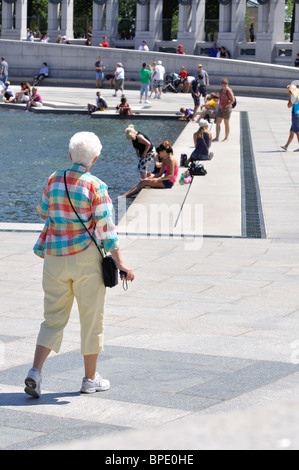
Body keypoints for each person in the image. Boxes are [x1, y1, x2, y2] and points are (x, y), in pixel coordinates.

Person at [24, 131, 134, 398]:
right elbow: (107, 232)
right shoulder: (97, 186)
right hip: (86, 258)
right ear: (94, 159)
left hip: (54, 257)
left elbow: (42, 211)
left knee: (52, 317)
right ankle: (90, 378)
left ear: (70, 155)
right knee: (91, 318)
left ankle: (35, 372)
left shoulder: (53, 179)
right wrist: (122, 265)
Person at [214, 78, 235, 142]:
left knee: (226, 123)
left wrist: (227, 105)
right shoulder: (221, 90)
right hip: (221, 108)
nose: (224, 85)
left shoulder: (228, 90)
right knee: (218, 122)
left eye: (226, 84)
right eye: (223, 84)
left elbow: (233, 100)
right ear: (221, 84)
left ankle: (226, 138)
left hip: (227, 108)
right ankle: (217, 137)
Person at [281, 84, 299, 151]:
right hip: (296, 115)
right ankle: (286, 146)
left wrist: (290, 97)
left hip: (296, 116)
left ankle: (286, 146)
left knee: (297, 132)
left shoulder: (293, 97)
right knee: (292, 132)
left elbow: (289, 105)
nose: (288, 92)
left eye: (289, 91)